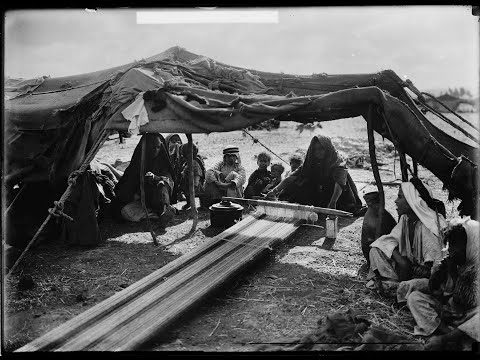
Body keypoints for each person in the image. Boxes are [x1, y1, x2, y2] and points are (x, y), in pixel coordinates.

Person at [396, 218, 479, 351]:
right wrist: (440, 272)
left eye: (455, 246)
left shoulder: (475, 267)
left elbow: (463, 301)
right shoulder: (454, 260)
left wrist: (453, 274)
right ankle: (449, 333)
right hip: (449, 312)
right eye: (449, 245)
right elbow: (435, 289)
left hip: (468, 316)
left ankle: (447, 338)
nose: (450, 250)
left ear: (469, 245)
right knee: (415, 298)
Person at [365, 180, 447, 295]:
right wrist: (402, 261)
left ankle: (395, 287)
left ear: (412, 200)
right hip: (410, 269)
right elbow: (388, 241)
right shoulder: (406, 219)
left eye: (400, 197)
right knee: (376, 250)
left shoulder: (429, 227)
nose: (396, 201)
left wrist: (409, 268)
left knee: (412, 287)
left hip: (429, 279)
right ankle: (392, 283)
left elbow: (435, 270)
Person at [265, 135, 363, 213]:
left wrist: (333, 203)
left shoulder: (337, 162)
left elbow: (339, 184)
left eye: (321, 149)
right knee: (298, 182)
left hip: (339, 195)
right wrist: (274, 191)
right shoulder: (312, 162)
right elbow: (292, 177)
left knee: (344, 205)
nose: (318, 152)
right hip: (322, 192)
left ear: (327, 149)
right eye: (315, 149)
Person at [114, 133, 176, 227]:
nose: (155, 150)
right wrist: (136, 193)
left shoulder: (162, 163)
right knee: (126, 211)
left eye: (158, 147)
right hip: (141, 202)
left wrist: (156, 178)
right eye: (151, 147)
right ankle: (153, 215)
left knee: (163, 183)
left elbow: (169, 180)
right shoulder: (137, 164)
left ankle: (163, 212)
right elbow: (124, 189)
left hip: (158, 200)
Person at [178, 142, 206, 210]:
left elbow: (197, 173)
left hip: (194, 182)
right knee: (187, 194)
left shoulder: (194, 162)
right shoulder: (188, 162)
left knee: (200, 194)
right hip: (187, 182)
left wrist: (196, 182)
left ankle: (203, 205)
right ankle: (189, 203)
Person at [165, 134, 183, 204]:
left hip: (177, 168)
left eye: (178, 141)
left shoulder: (180, 149)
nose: (176, 144)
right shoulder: (164, 151)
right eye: (173, 141)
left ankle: (178, 195)